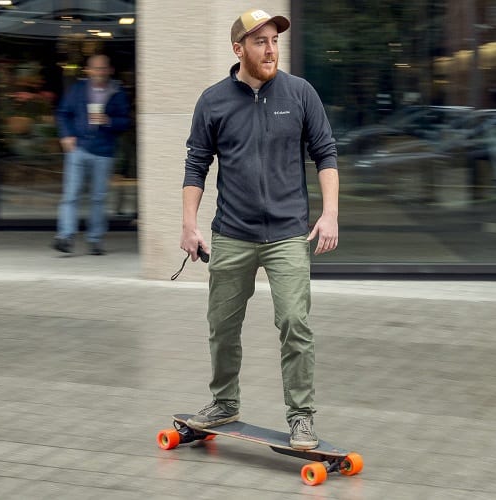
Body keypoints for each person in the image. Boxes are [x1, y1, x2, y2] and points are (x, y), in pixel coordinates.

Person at [179, 8, 339, 451]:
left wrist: (330, 214)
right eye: (260, 42)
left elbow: (326, 153)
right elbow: (197, 165)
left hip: (288, 233)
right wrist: (189, 225)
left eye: (274, 41)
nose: (271, 50)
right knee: (222, 325)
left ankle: (302, 416)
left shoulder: (300, 93)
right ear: (238, 49)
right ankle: (224, 402)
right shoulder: (213, 101)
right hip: (232, 232)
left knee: (294, 322)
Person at [53, 54, 131, 255]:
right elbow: (63, 113)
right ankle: (65, 237)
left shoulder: (117, 92)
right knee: (71, 195)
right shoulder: (78, 89)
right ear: (88, 70)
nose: (99, 72)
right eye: (95, 68)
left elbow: (126, 122)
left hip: (104, 152)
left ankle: (95, 240)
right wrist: (66, 135)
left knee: (98, 198)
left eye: (102, 68)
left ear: (109, 70)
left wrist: (108, 120)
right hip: (78, 149)